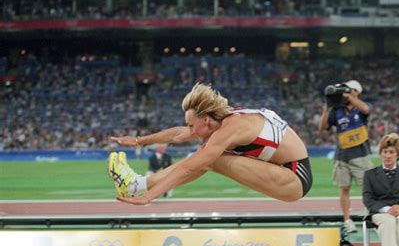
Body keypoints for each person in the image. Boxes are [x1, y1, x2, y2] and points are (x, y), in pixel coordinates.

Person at [108, 82, 313, 205]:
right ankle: (135, 185)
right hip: (280, 171)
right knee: (207, 154)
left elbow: (191, 166)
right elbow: (177, 135)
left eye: (191, 125)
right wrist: (138, 141)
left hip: (294, 178)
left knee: (208, 158)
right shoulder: (218, 124)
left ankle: (136, 186)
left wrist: (149, 196)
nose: (190, 131)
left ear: (205, 119)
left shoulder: (233, 126)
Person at [318, 80, 373, 234]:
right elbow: (322, 127)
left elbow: (366, 109)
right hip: (342, 156)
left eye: (351, 90)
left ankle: (371, 216)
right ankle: (347, 220)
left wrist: (349, 97)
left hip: (361, 154)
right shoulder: (337, 110)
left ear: (357, 92)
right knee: (344, 189)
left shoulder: (361, 107)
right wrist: (327, 108)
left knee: (367, 188)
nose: (346, 92)